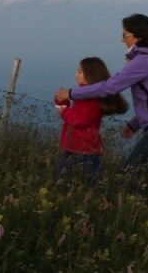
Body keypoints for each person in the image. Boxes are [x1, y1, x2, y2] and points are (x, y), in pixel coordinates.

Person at [55, 14, 148, 205]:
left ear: (139, 36)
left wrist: (71, 93)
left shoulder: (144, 61)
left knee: (129, 175)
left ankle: (128, 211)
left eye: (125, 35)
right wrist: (135, 124)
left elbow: (109, 87)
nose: (122, 39)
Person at [54, 57, 127, 190]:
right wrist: (62, 102)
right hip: (78, 146)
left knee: (89, 182)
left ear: (90, 74)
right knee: (69, 180)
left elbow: (79, 119)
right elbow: (76, 114)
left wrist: (64, 111)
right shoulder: (84, 95)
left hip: (85, 147)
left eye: (79, 71)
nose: (76, 75)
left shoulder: (89, 97)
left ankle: (100, 199)